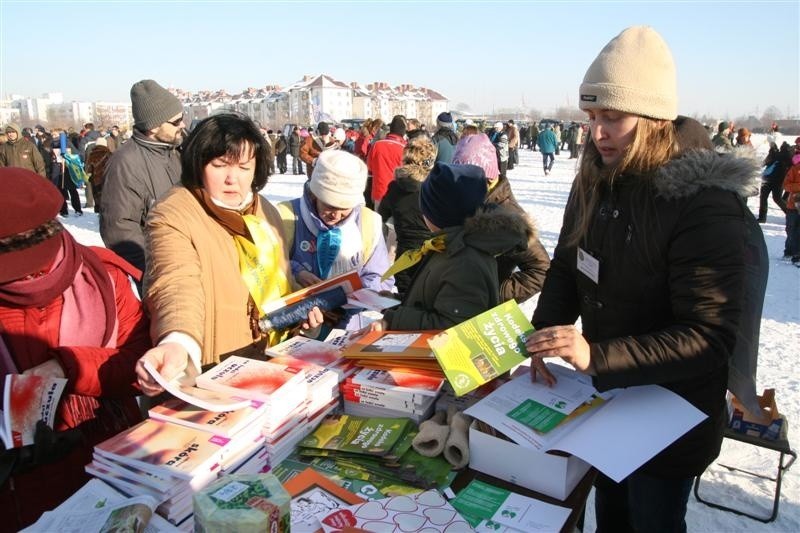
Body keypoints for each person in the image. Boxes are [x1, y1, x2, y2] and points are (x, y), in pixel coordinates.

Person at [524, 26, 761, 532]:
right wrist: (546, 335)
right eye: (590, 117)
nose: (596, 132)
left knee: (651, 521)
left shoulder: (703, 204)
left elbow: (708, 336)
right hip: (607, 403)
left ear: (653, 119)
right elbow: (569, 263)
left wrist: (598, 356)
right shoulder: (595, 177)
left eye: (612, 117)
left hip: (671, 421)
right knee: (610, 517)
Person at [0, 168, 150, 529]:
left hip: (111, 468)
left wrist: (69, 367)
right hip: (17, 500)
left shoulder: (103, 277)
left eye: (36, 267)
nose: (29, 280)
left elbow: (141, 363)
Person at [137, 114, 322, 392]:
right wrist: (177, 340)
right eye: (220, 165)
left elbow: (277, 278)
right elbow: (176, 282)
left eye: (244, 167)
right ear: (199, 164)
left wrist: (300, 318)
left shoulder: (265, 211)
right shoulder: (174, 213)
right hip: (214, 368)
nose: (232, 179)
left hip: (269, 358)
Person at [371, 163, 529, 331]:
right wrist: (397, 301)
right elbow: (437, 298)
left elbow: (454, 324)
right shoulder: (447, 244)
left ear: (437, 214)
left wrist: (394, 320)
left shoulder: (464, 260)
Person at [278, 150, 395, 312]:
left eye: (345, 209)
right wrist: (296, 272)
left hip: (350, 324)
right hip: (299, 320)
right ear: (316, 195)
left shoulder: (368, 223)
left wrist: (359, 290)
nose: (336, 215)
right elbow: (267, 266)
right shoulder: (286, 216)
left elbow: (381, 276)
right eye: (329, 206)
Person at [451, 133, 551, 303]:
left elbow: (541, 269)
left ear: (487, 179)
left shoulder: (508, 216)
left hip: (479, 312)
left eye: (463, 180)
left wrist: (493, 293)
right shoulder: (469, 201)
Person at [100, 79, 185, 277]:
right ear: (153, 127)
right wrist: (157, 271)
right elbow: (119, 231)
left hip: (194, 262)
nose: (183, 124)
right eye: (175, 122)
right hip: (164, 275)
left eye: (182, 117)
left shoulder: (177, 149)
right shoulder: (124, 164)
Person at [377, 135, 436, 296]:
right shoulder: (434, 187)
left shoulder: (396, 187)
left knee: (406, 303)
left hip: (404, 258)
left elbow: (382, 213)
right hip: (432, 257)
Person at [367, 115, 407, 211]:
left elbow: (370, 167)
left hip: (379, 192)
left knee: (379, 224)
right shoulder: (404, 148)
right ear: (403, 132)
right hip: (397, 195)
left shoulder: (377, 145)